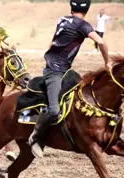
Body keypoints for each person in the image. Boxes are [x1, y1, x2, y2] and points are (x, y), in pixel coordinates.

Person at [28, 0, 113, 159]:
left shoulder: (63, 19)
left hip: (64, 70)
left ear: (71, 7)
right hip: (54, 71)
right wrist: (107, 62)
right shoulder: (83, 25)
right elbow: (101, 41)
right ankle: (36, 137)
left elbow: (54, 40)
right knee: (54, 110)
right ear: (87, 9)